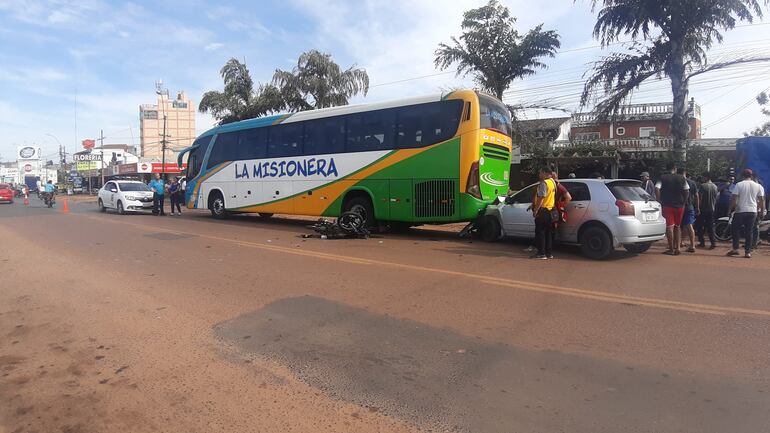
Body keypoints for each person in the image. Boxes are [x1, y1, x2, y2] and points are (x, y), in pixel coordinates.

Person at [726, 169, 764, 258]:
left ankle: (735, 249)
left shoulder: (739, 185)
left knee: (735, 229)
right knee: (749, 231)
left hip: (740, 210)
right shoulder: (758, 186)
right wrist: (762, 211)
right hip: (752, 211)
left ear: (742, 175)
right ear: (751, 176)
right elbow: (762, 200)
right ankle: (747, 252)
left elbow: (733, 198)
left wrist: (729, 210)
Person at [656, 162, 689, 255]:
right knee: (677, 226)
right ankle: (678, 248)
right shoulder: (682, 178)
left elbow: (657, 188)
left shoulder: (662, 177)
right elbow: (687, 190)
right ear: (675, 168)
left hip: (667, 205)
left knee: (669, 227)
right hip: (679, 206)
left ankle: (671, 248)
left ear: (667, 168)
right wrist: (684, 201)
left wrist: (658, 200)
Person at [531, 166, 557, 260]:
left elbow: (541, 197)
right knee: (548, 233)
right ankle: (549, 253)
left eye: (540, 172)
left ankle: (541, 253)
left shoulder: (544, 183)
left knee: (540, 232)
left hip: (543, 211)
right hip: (551, 210)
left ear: (545, 173)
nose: (539, 174)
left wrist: (536, 210)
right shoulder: (553, 182)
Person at [677, 168, 699, 253]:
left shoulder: (677, 182)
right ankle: (692, 245)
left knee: (677, 225)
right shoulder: (692, 183)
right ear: (685, 173)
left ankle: (678, 244)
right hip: (690, 207)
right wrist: (697, 207)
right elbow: (696, 196)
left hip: (679, 206)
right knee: (689, 225)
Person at [696, 172, 718, 249]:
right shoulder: (715, 187)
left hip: (703, 209)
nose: (702, 178)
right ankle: (713, 242)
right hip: (712, 209)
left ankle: (702, 242)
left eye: (703, 177)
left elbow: (700, 198)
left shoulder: (703, 186)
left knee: (699, 226)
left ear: (706, 177)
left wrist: (698, 207)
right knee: (711, 226)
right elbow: (716, 198)